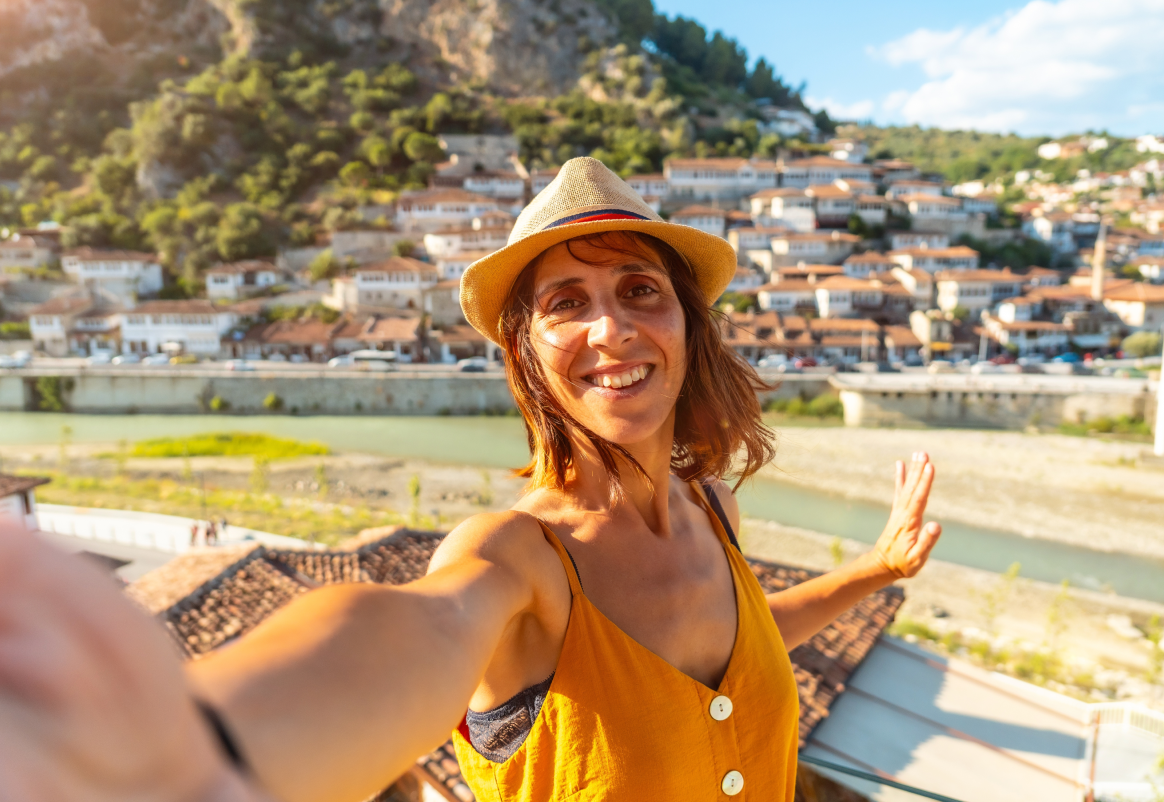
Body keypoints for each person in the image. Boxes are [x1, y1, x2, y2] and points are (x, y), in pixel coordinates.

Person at [0, 158, 939, 802]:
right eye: (566, 304)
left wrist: (878, 571)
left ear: (689, 325)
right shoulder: (516, 557)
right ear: (529, 358)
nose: (611, 330)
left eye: (639, 290)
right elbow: (415, 628)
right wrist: (176, 754)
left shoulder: (715, 509)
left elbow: (734, 641)